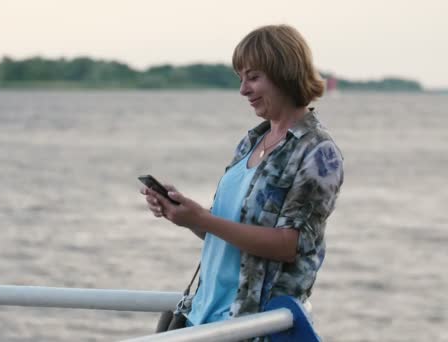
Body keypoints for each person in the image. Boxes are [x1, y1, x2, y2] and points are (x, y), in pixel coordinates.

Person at [140, 24, 344, 339]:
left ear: (284, 73)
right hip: (202, 317)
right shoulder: (251, 142)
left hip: (251, 327)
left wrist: (204, 219)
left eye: (253, 77)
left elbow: (289, 245)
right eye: (241, 78)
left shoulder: (317, 152)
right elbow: (229, 234)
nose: (243, 90)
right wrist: (185, 215)